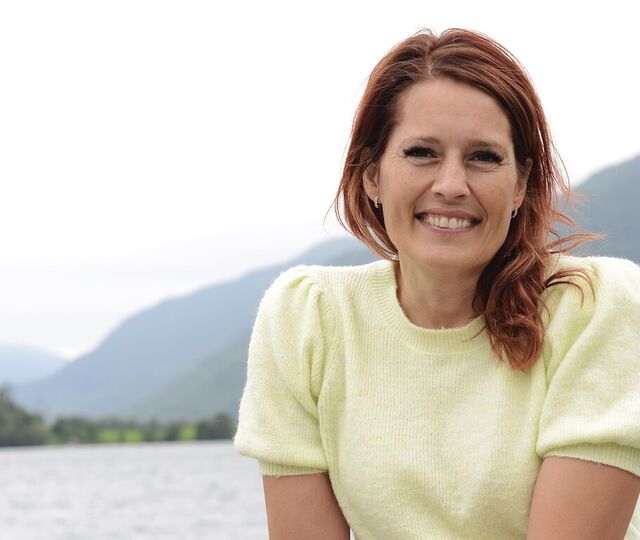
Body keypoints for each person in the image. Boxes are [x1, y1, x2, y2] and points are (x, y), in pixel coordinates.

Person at [233, 28, 640, 539]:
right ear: (371, 175)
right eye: (422, 152)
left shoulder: (593, 306)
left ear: (520, 185)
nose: (451, 185)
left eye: (483, 157)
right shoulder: (307, 318)